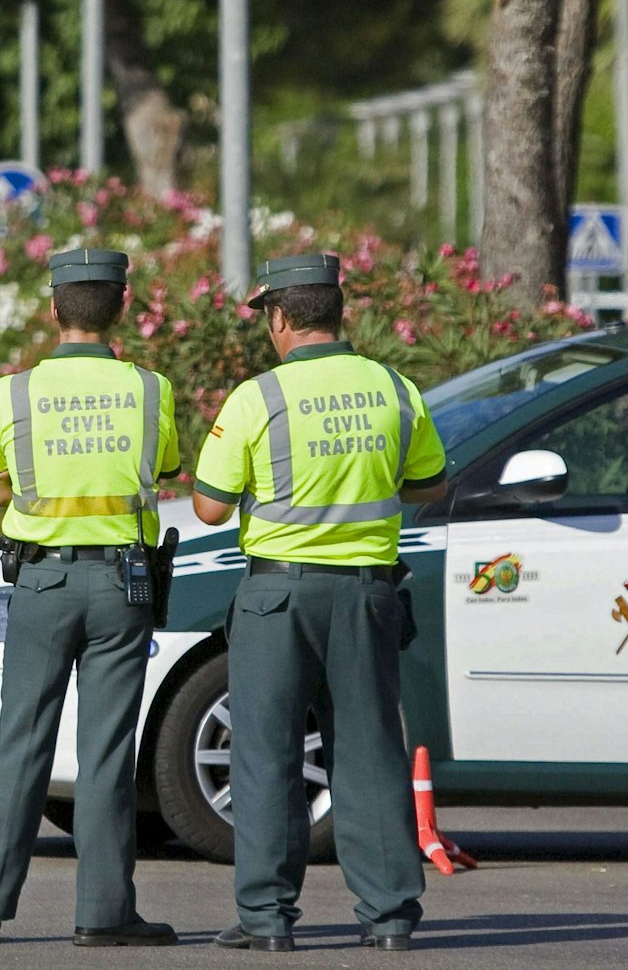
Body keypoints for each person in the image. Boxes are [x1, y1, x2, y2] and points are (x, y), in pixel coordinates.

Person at [190, 253, 448, 954]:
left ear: (279, 317)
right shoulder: (394, 389)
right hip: (367, 594)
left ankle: (268, 918)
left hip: (279, 596)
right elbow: (430, 482)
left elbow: (210, 508)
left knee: (266, 753)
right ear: (340, 314)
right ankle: (390, 914)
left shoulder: (257, 398)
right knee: (369, 751)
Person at [0, 248, 180, 949]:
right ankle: (104, 911)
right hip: (123, 584)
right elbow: (165, 471)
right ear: (122, 306)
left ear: (53, 310)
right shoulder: (151, 389)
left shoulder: (12, 393)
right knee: (107, 748)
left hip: (42, 583)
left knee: (21, 742)